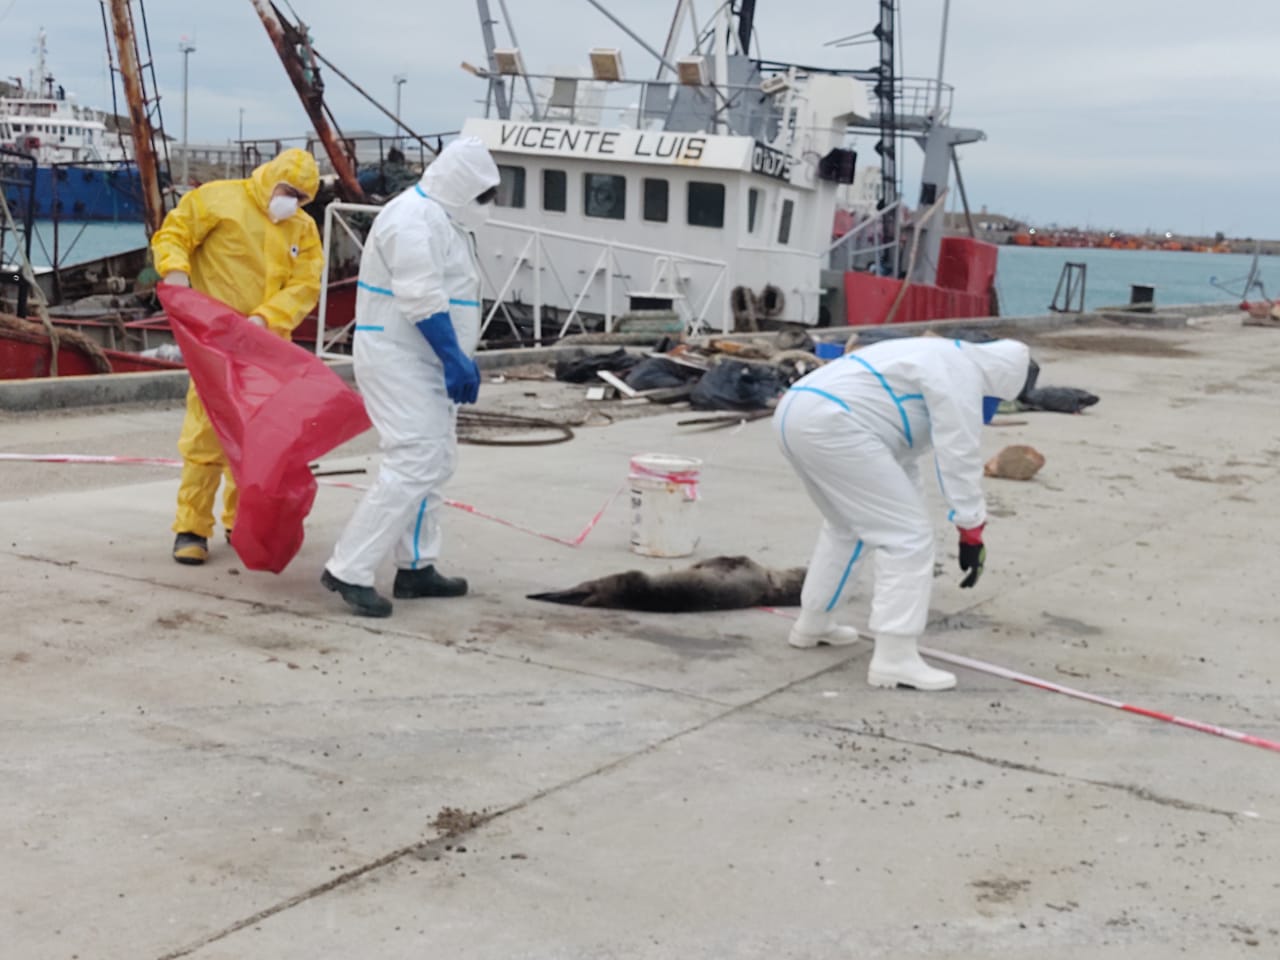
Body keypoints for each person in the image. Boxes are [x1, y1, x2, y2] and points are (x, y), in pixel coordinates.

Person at [773, 336, 1032, 691]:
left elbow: (898, 457)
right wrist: (970, 525)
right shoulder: (961, 372)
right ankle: (894, 659)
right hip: (836, 423)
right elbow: (958, 453)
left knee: (846, 526)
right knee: (908, 539)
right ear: (1000, 380)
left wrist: (938, 516)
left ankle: (814, 623)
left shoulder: (932, 354)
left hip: (798, 412)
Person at [320, 137, 500, 618]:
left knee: (436, 459)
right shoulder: (412, 221)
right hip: (397, 357)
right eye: (483, 195)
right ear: (460, 186)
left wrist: (452, 357)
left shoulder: (446, 218)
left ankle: (416, 565)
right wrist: (455, 359)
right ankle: (349, 568)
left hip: (425, 358)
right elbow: (421, 299)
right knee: (415, 457)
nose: (488, 205)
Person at [152, 148, 324, 565]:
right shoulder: (218, 199)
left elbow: (306, 285)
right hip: (214, 343)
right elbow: (175, 232)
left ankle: (240, 519)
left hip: (265, 349)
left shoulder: (302, 229)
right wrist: (175, 272)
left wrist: (267, 318)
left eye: (301, 197)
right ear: (271, 178)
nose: (292, 202)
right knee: (206, 433)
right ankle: (191, 528)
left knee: (256, 438)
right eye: (288, 191)